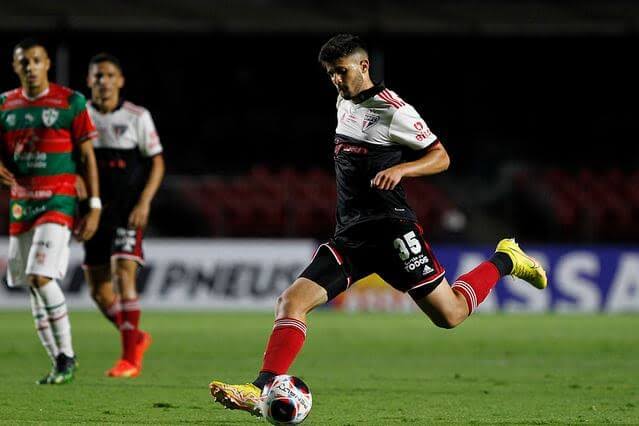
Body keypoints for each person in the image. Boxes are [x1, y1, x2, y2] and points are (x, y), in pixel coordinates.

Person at [208, 33, 548, 417]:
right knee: (291, 301)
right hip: (352, 237)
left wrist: (403, 168)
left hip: (393, 232)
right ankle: (261, 388)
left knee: (450, 315)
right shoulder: (344, 102)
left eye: (341, 71)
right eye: (330, 74)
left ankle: (506, 258)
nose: (336, 80)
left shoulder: (394, 110)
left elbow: (441, 157)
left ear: (364, 66)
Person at [0, 39, 102, 384]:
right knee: (30, 283)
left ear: (47, 64)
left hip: (59, 200)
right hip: (22, 203)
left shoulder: (70, 102)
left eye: (36, 60)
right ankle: (58, 361)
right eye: (23, 62)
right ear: (16, 67)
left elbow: (88, 156)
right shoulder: (5, 105)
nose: (30, 66)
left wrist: (94, 205)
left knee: (40, 276)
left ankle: (67, 355)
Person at [82, 53, 164, 378]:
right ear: (89, 81)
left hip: (127, 212)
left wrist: (144, 202)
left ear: (120, 81)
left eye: (109, 75)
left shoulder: (137, 117)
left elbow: (157, 162)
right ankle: (136, 337)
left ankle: (130, 359)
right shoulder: (81, 116)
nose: (103, 81)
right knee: (100, 292)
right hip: (92, 212)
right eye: (97, 76)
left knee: (123, 275)